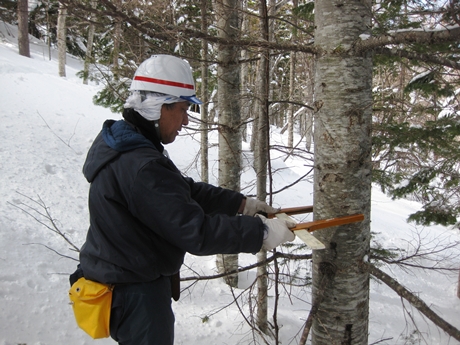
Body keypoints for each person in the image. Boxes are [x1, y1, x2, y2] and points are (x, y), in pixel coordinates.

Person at [71, 54, 295, 345]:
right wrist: (261, 233)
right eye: (182, 109)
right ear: (158, 108)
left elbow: (179, 191)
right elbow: (195, 231)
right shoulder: (141, 164)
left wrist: (242, 204)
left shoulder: (129, 143)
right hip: (135, 293)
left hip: (125, 283)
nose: (186, 120)